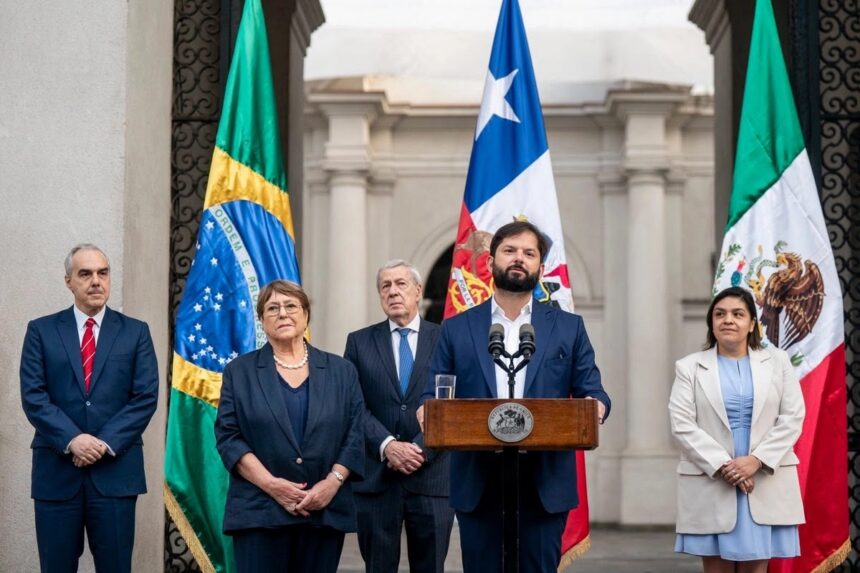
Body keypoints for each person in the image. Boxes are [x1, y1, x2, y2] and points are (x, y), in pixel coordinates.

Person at [418, 220, 611, 572]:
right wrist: (426, 409)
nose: (519, 259)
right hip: (479, 480)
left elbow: (593, 391)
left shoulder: (568, 327)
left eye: (529, 253)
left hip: (545, 482)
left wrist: (596, 407)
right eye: (509, 251)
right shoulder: (458, 328)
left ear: (540, 265)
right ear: (491, 262)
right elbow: (434, 389)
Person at [19, 243, 159, 573]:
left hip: (116, 472)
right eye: (85, 274)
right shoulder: (41, 330)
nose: (96, 281)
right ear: (69, 281)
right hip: (57, 472)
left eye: (103, 273)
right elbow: (34, 396)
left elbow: (145, 397)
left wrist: (103, 443)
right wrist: (73, 440)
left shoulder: (136, 333)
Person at [214, 279, 365, 573]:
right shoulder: (239, 372)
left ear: (306, 314)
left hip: (323, 511)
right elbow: (229, 437)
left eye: (291, 306)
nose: (283, 314)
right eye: (272, 308)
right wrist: (272, 486)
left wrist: (331, 482)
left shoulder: (341, 371)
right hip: (259, 511)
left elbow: (355, 432)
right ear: (261, 319)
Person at [669, 286, 805, 573]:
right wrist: (725, 466)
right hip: (713, 479)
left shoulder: (777, 362)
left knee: (756, 568)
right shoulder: (689, 367)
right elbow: (681, 424)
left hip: (764, 479)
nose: (727, 320)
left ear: (752, 323)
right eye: (720, 314)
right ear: (711, 322)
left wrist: (756, 461)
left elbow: (793, 416)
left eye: (737, 314)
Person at [344, 260, 454, 573]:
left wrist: (420, 449)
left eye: (401, 284)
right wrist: (388, 446)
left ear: (418, 291)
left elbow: (452, 402)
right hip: (378, 479)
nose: (393, 291)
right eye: (385, 286)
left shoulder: (446, 339)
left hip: (432, 477)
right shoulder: (359, 342)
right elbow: (353, 404)